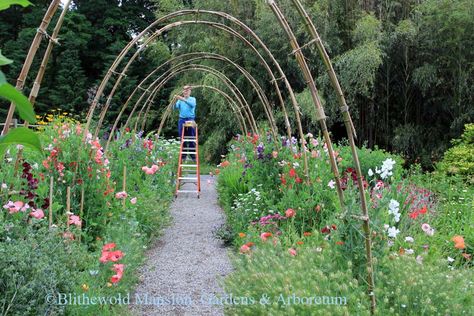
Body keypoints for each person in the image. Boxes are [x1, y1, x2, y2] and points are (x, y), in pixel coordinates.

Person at [174, 85, 197, 161]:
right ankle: (183, 156)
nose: (186, 91)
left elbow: (192, 105)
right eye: (184, 90)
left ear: (190, 91)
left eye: (187, 90)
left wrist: (183, 99)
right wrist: (174, 101)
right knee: (182, 137)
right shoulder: (180, 100)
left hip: (190, 119)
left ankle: (193, 156)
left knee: (191, 137)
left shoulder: (192, 99)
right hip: (182, 119)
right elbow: (175, 107)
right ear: (183, 91)